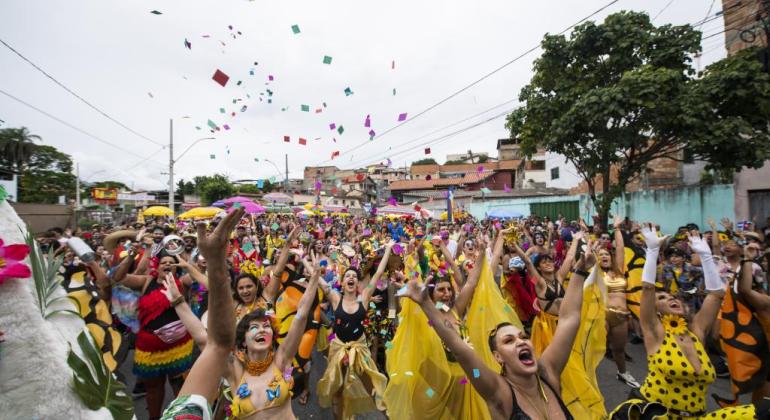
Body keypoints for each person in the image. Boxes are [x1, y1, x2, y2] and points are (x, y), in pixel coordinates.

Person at [400, 239, 596, 419]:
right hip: (455, 381)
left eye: (522, 337)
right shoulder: (497, 391)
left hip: (467, 381)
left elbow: (569, 319)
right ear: (497, 357)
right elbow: (461, 351)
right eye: (509, 341)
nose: (520, 341)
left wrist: (580, 271)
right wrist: (425, 304)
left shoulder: (548, 373)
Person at [610, 225, 761, 419]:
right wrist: (653, 251)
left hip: (697, 416)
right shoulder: (655, 332)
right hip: (657, 415)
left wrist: (707, 257)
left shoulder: (696, 330)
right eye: (662, 299)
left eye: (671, 297)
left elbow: (716, 294)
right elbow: (647, 290)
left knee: (759, 412)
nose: (670, 299)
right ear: (656, 311)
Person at [315, 241, 393, 419]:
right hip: (338, 347)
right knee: (337, 389)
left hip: (360, 348)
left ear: (357, 283)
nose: (351, 278)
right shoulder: (335, 298)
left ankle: (386, 413)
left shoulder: (364, 298)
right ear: (342, 283)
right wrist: (307, 261)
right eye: (347, 276)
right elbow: (319, 281)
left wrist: (387, 249)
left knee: (371, 385)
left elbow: (379, 273)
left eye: (354, 276)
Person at [601, 215, 641, 388]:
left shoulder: (619, 271)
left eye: (606, 254)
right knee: (596, 349)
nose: (603, 256)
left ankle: (622, 373)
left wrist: (616, 228)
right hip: (602, 316)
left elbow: (621, 248)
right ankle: (585, 377)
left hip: (621, 316)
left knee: (618, 349)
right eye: (600, 255)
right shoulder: (595, 273)